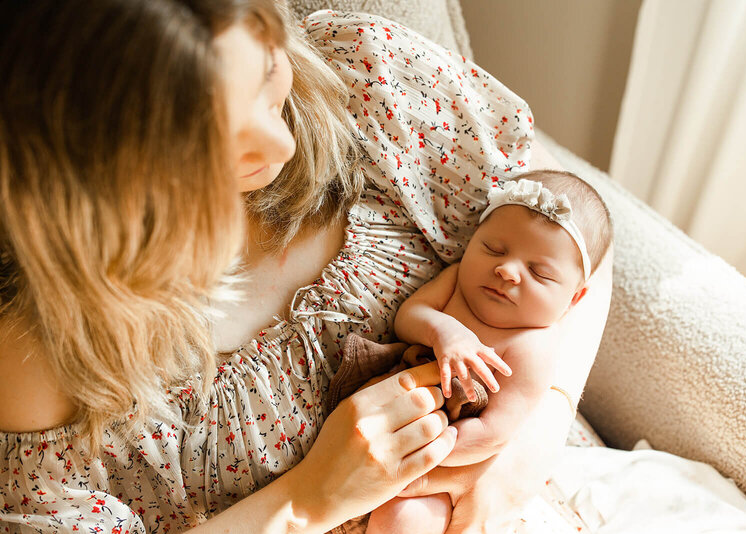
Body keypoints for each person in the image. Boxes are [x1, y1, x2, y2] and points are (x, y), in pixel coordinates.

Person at [0, 2, 613, 533]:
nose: (282, 145)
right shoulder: (41, 350)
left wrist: (532, 438)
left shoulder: (368, 82)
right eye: (211, 142)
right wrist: (305, 502)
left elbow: (580, 235)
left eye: (268, 73)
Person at [366, 171, 613, 534]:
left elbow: (494, 431)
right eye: (493, 249)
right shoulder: (456, 284)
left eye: (539, 272)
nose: (507, 270)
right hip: (389, 417)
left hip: (449, 464)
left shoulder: (533, 346)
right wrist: (444, 330)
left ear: (573, 299)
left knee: (404, 522)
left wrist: (418, 454)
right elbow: (407, 318)